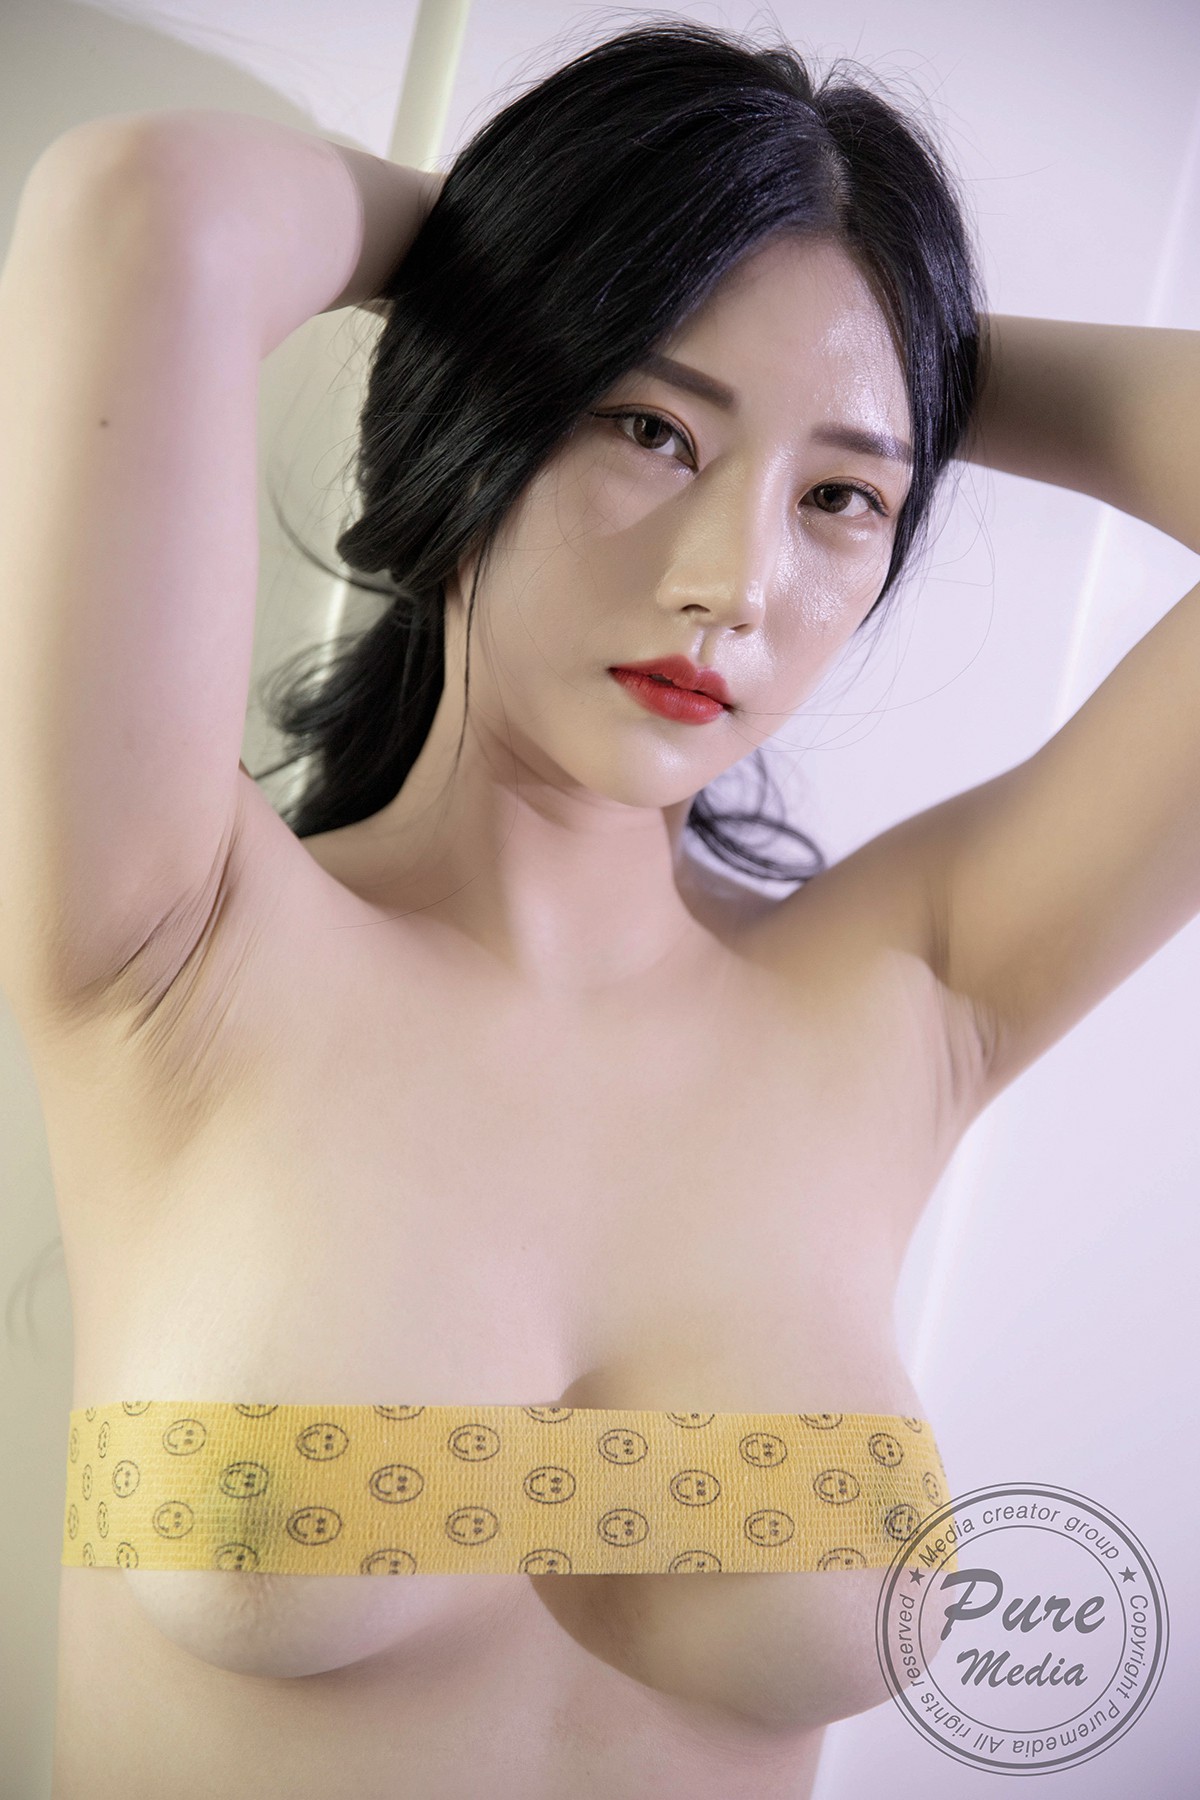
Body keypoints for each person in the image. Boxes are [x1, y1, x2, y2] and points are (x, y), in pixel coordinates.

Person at [2, 20, 1197, 1800]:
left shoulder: (909, 1001)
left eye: (842, 497)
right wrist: (537, 249)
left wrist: (918, 348)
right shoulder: (174, 938)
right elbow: (149, 203)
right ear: (479, 413)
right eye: (650, 423)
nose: (738, 583)